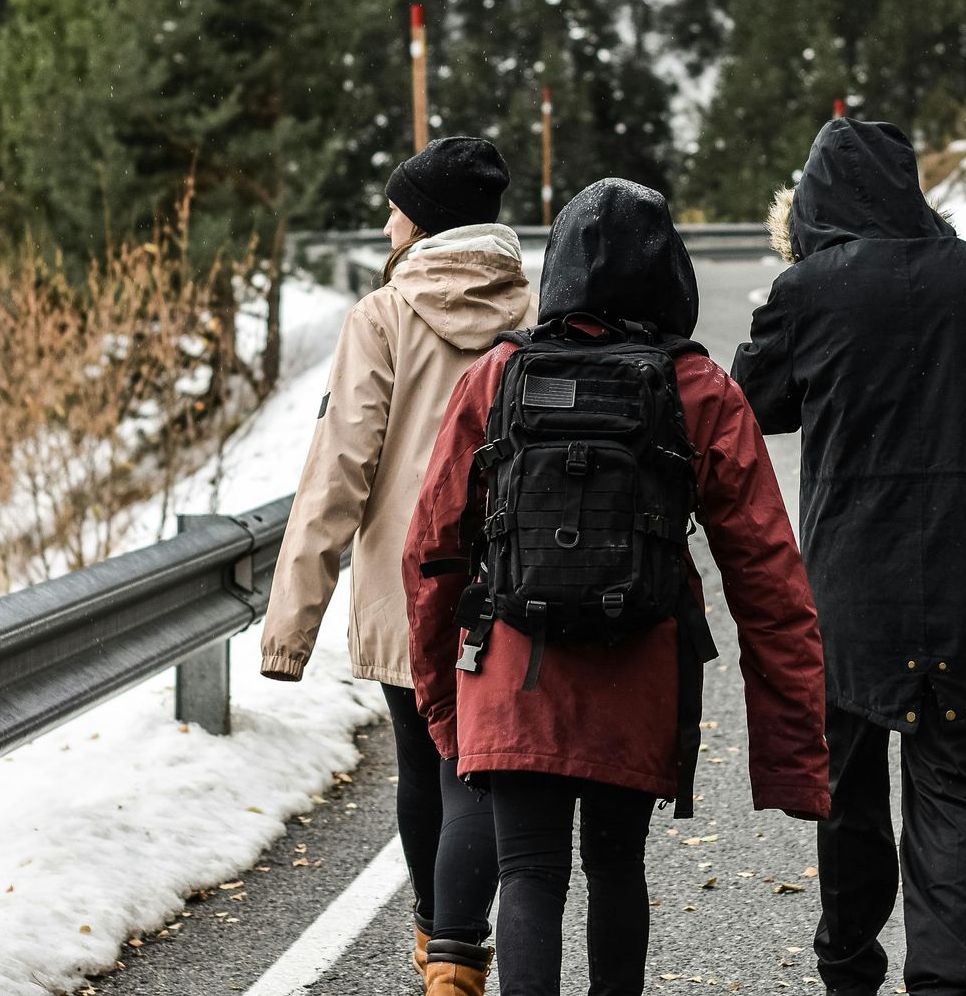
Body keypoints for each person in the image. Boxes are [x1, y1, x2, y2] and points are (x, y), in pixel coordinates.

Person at [403, 178, 831, 996]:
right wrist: (793, 753)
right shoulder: (698, 388)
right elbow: (769, 576)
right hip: (637, 671)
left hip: (513, 672)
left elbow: (431, 550)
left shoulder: (497, 375)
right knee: (615, 866)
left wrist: (440, 699)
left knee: (529, 870)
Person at [732, 118, 966, 996]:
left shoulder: (808, 292)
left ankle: (849, 969)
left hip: (850, 587)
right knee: (953, 784)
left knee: (846, 786)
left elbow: (748, 404)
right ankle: (945, 980)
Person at [258, 135, 534, 987]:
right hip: (513, 578)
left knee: (423, 761)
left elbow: (337, 472)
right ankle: (456, 951)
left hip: (408, 586)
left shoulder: (382, 317)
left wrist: (290, 627)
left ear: (427, 223)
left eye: (396, 211)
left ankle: (438, 947)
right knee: (476, 771)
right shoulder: (536, 309)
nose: (386, 228)